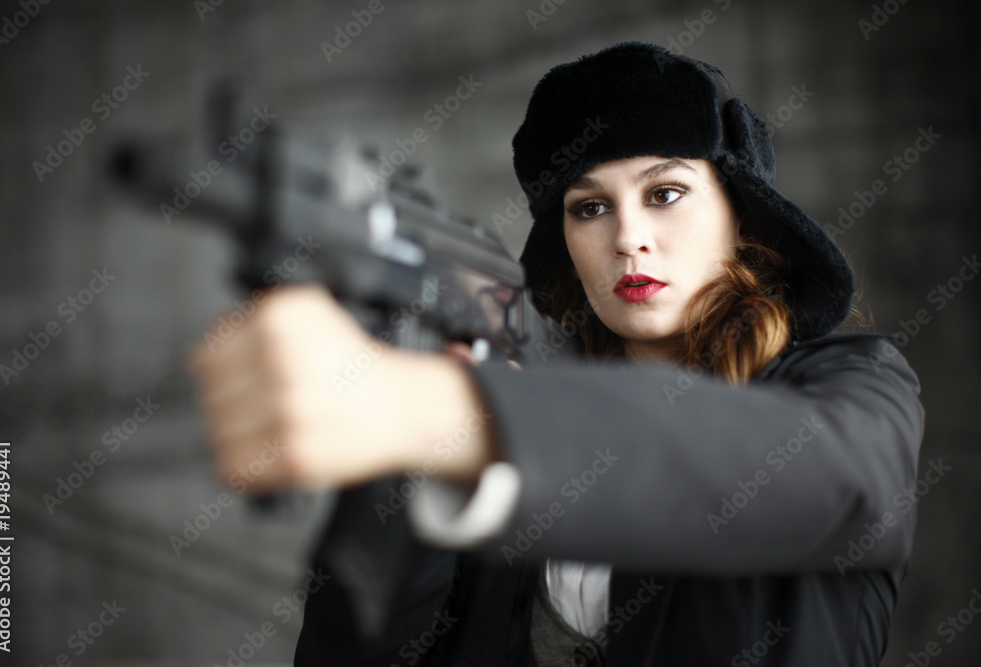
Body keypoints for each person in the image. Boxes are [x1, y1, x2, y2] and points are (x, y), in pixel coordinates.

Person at [189, 43, 925, 666]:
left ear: (739, 218)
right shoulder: (505, 416)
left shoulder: (854, 388)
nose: (628, 237)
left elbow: (829, 480)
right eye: (590, 206)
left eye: (664, 193)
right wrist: (418, 452)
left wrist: (458, 412)